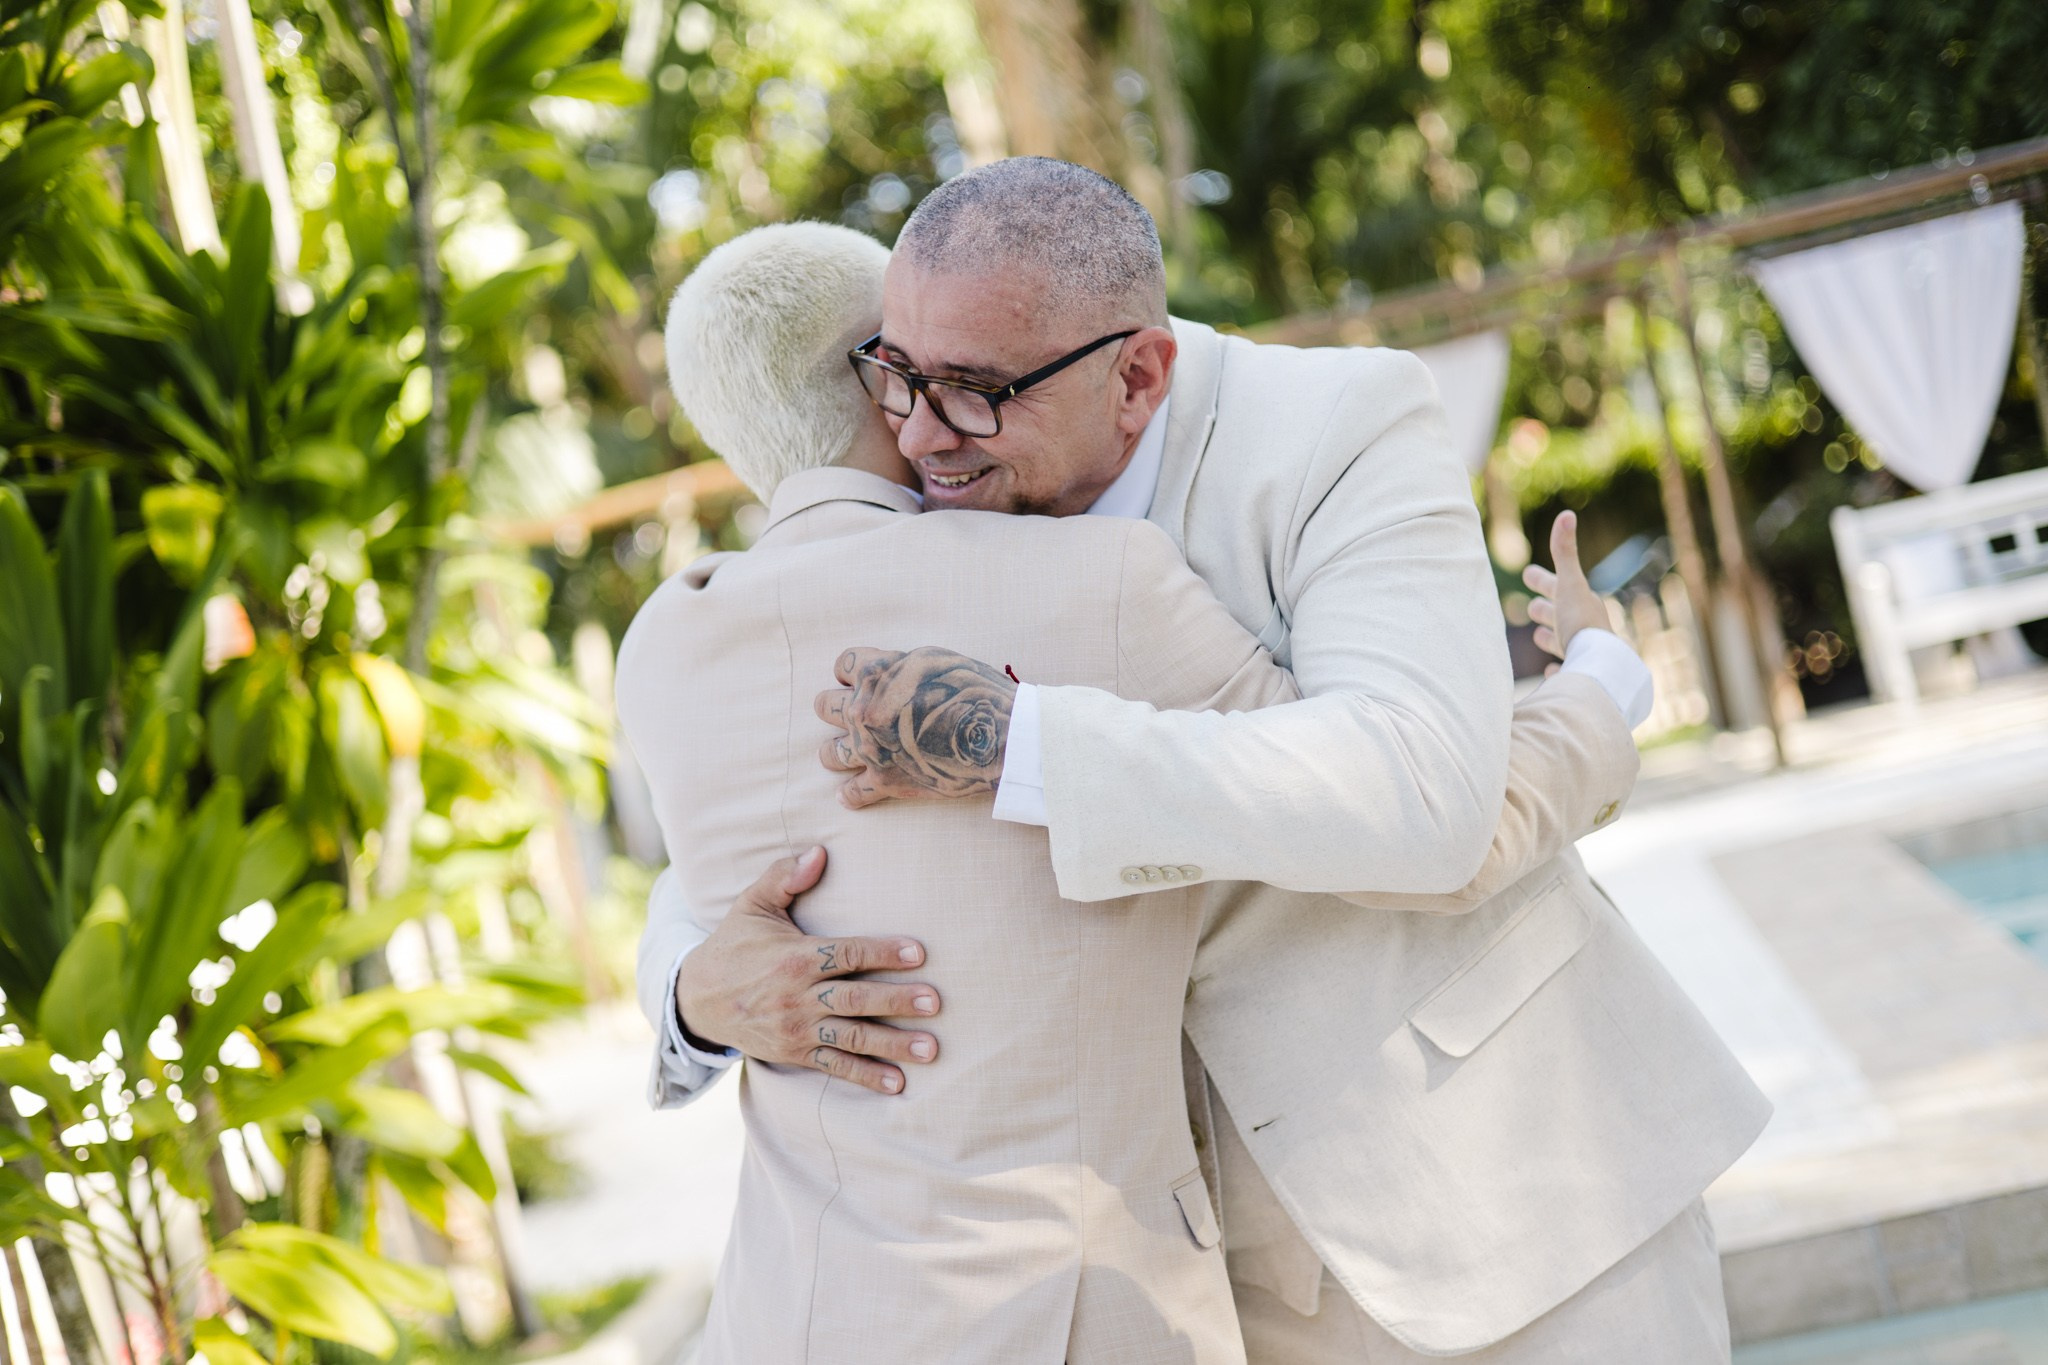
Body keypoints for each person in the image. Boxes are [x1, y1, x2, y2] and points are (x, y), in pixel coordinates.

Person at [642, 161, 1769, 1364]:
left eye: (970, 391)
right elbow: (764, 832)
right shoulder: (917, 518)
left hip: (1506, 1192)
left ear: (1136, 375)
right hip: (1195, 1280)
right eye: (897, 376)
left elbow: (1427, 797)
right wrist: (693, 995)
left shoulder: (1340, 427)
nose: (917, 433)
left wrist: (1021, 746)